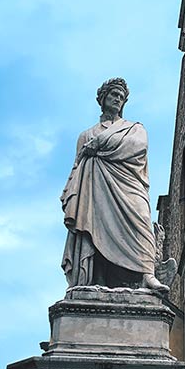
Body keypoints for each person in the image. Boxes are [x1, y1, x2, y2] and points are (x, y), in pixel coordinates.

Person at [60, 77, 168, 291]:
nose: (117, 99)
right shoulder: (86, 135)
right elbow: (78, 166)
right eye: (113, 95)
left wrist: (99, 145)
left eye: (121, 97)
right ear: (103, 99)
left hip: (129, 185)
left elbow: (137, 147)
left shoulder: (134, 128)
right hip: (95, 188)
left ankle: (147, 274)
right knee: (93, 226)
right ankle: (94, 279)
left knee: (143, 221)